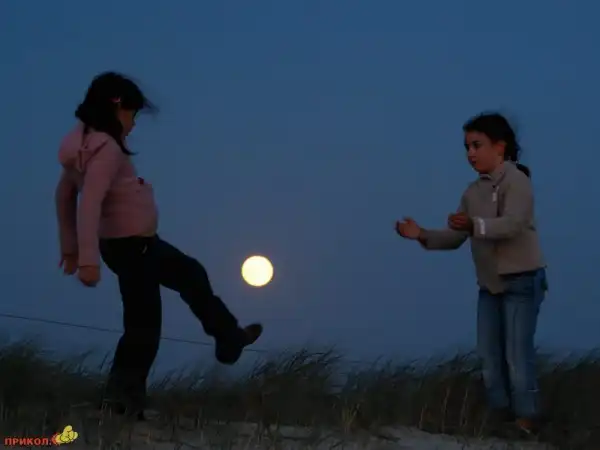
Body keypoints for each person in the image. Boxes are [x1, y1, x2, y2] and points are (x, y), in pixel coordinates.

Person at [55, 71, 263, 419]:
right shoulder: (105, 150)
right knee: (143, 326)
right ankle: (122, 401)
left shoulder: (84, 145)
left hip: (140, 246)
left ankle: (229, 336)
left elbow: (64, 195)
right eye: (132, 115)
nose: (133, 124)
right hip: (132, 248)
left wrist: (70, 249)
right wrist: (86, 259)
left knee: (191, 274)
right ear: (116, 107)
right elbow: (88, 201)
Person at [395, 112, 547, 435]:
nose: (470, 153)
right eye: (467, 147)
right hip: (489, 285)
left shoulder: (517, 180)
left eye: (477, 145)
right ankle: (501, 420)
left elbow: (512, 224)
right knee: (489, 358)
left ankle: (527, 421)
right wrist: (421, 234)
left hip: (521, 279)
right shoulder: (471, 192)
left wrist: (474, 225)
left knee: (516, 356)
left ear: (499, 147)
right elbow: (455, 237)